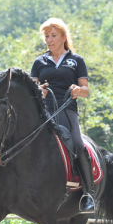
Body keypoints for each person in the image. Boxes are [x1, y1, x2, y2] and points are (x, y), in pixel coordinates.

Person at [30, 18, 95, 213]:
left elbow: (86, 90)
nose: (49, 40)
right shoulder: (39, 61)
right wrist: (38, 91)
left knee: (78, 144)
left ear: (64, 38)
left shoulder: (76, 60)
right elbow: (32, 87)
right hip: (43, 111)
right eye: (47, 36)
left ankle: (88, 195)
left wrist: (77, 90)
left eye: (53, 36)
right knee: (14, 136)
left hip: (67, 109)